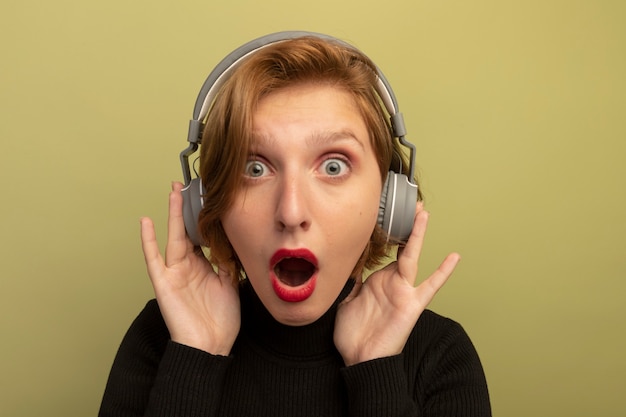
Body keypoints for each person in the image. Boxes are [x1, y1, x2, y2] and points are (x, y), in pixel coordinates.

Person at [99, 32, 491, 417]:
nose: (290, 212)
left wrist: (375, 369)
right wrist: (196, 355)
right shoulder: (163, 337)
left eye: (333, 166)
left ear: (388, 200)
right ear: (206, 203)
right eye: (255, 168)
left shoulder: (440, 354)